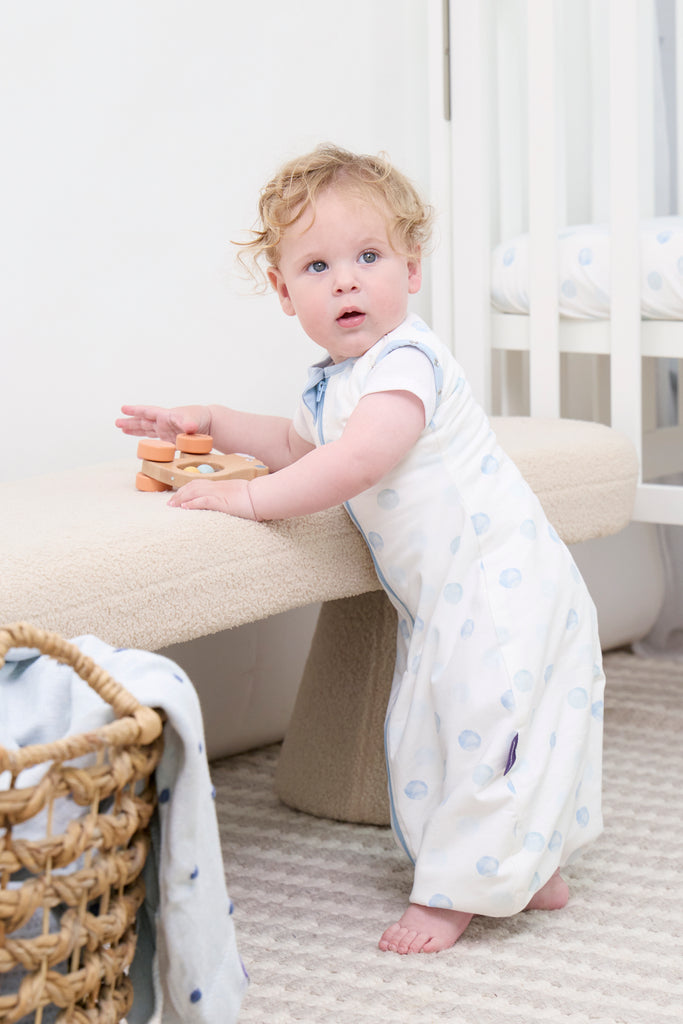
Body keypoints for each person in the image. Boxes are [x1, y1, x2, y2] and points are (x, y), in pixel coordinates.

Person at [116, 144, 605, 955]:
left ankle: (454, 893)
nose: (345, 281)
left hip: (501, 587)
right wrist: (209, 421)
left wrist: (248, 499)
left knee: (488, 728)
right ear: (284, 293)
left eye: (368, 257)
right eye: (316, 266)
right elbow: (291, 442)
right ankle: (528, 866)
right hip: (449, 597)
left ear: (410, 271)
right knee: (450, 729)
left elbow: (355, 461)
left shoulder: (406, 363)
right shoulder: (335, 383)